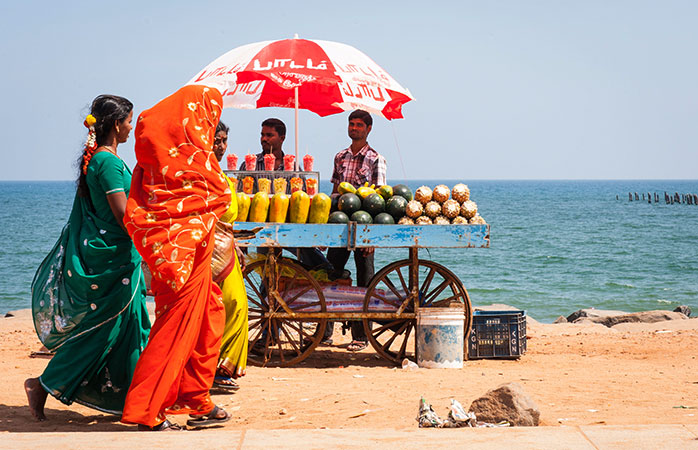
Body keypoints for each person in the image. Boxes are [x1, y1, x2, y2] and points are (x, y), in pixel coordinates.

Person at [25, 95, 151, 421]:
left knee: (133, 327)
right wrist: (152, 237)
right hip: (116, 259)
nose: (130, 126)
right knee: (104, 330)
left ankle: (136, 399)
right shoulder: (107, 163)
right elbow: (122, 213)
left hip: (121, 256)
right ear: (114, 124)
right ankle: (43, 385)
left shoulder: (100, 159)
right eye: (127, 121)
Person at [120, 85, 231, 431]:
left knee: (208, 319)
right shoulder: (193, 170)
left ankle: (196, 398)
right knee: (174, 330)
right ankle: (146, 410)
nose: (210, 128)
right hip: (183, 266)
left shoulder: (160, 165)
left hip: (185, 264)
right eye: (207, 118)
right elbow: (219, 197)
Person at [325, 109, 387, 352]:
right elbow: (333, 194)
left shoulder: (375, 158)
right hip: (340, 226)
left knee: (365, 281)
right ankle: (325, 332)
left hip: (363, 228)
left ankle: (360, 336)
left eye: (359, 125)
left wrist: (371, 234)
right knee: (331, 276)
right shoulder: (340, 156)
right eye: (351, 124)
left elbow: (379, 198)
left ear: (368, 129)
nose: (354, 128)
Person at [211, 121, 248, 391]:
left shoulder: (219, 174)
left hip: (226, 247)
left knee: (235, 305)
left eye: (224, 140)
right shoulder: (202, 173)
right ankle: (214, 368)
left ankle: (222, 368)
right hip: (211, 252)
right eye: (216, 140)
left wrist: (234, 245)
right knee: (227, 305)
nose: (221, 146)